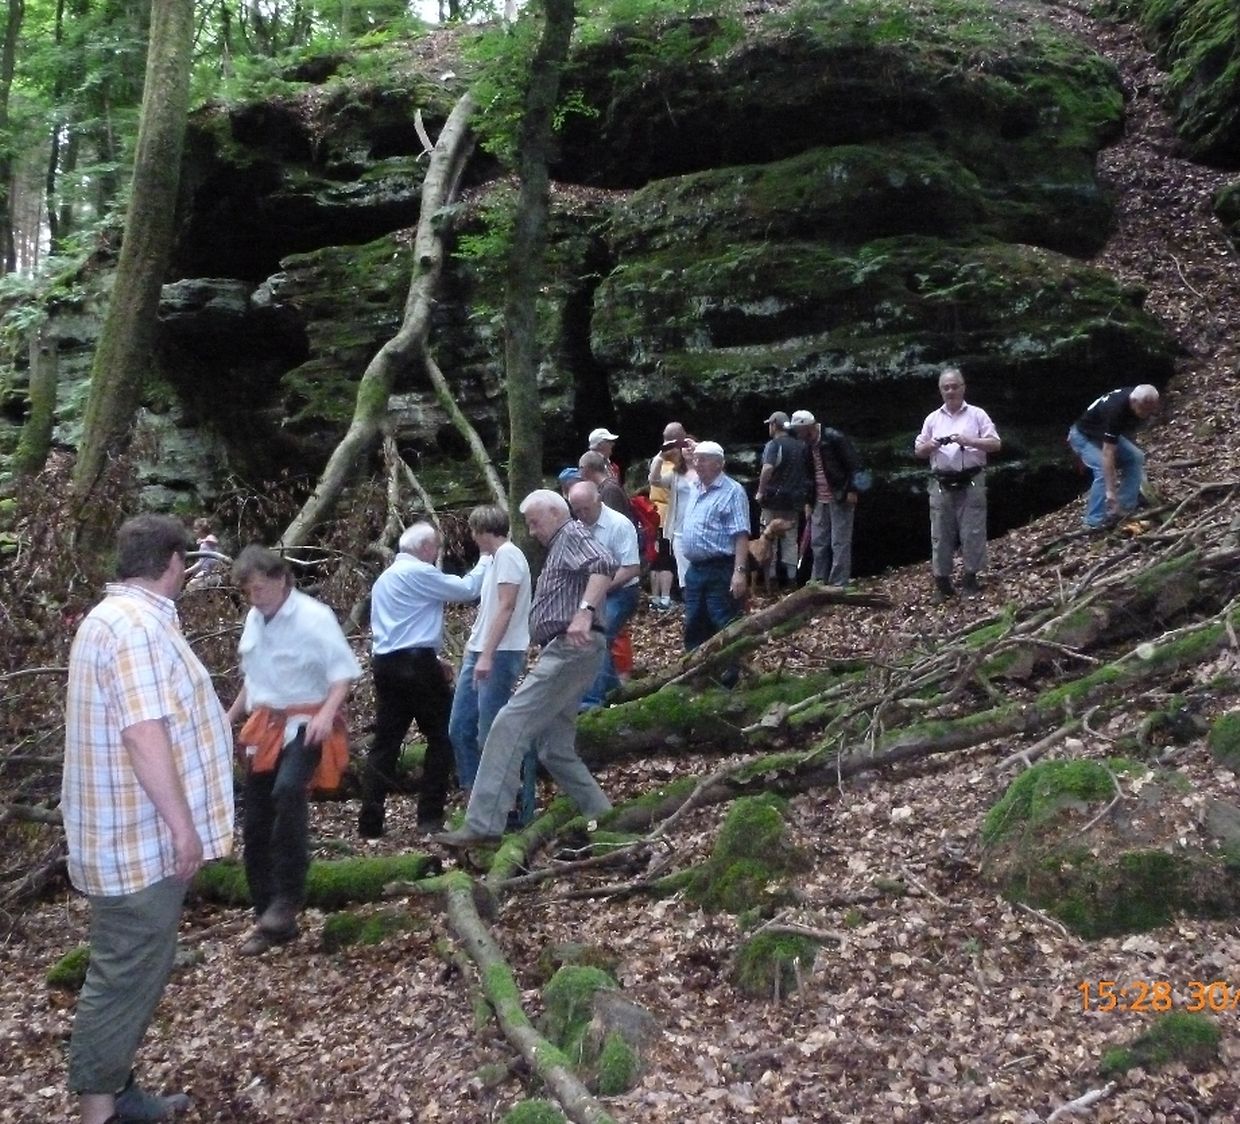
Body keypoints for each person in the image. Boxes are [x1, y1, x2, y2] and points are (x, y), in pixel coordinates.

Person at [62, 514, 234, 1124]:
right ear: (173, 562)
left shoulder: (115, 618)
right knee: (124, 976)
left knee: (134, 971)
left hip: (127, 833)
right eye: (186, 563)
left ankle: (116, 1091)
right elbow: (143, 733)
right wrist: (184, 828)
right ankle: (100, 1111)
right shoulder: (135, 629)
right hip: (137, 840)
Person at [435, 490, 615, 847]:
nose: (531, 531)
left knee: (508, 725)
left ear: (555, 513)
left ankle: (484, 825)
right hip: (567, 650)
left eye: (534, 522)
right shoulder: (561, 544)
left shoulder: (571, 533)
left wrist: (584, 612)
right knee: (554, 749)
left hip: (571, 650)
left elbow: (604, 563)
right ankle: (604, 815)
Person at [226, 546, 361, 955]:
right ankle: (268, 916)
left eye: (261, 588)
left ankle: (288, 898)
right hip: (265, 725)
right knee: (256, 820)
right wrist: (228, 717)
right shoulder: (254, 620)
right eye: (249, 591)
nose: (256, 597)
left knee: (288, 792)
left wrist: (327, 714)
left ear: (281, 579)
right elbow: (253, 678)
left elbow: (342, 674)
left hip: (306, 723)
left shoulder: (313, 617)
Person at [358, 522, 490, 839]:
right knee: (443, 735)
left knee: (385, 744)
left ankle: (370, 822)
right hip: (415, 665)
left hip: (386, 664)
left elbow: (398, 627)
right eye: (435, 547)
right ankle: (429, 816)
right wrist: (486, 558)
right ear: (426, 548)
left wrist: (433, 657)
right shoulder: (418, 572)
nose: (436, 553)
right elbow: (467, 589)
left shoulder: (384, 579)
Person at [446, 506, 535, 825]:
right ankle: (477, 798)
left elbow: (506, 607)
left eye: (473, 531)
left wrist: (487, 655)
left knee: (490, 731)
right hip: (479, 649)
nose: (472, 538)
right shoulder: (494, 559)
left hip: (500, 652)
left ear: (483, 531)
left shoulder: (509, 555)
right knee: (460, 727)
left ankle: (506, 803)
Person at [914, 367, 1002, 602]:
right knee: (940, 533)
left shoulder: (977, 415)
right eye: (946, 387)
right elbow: (919, 450)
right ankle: (942, 582)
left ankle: (971, 579)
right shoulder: (932, 419)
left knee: (972, 530)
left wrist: (969, 441)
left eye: (955, 386)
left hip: (971, 480)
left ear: (963, 388)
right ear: (940, 390)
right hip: (941, 482)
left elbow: (995, 444)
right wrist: (932, 445)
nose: (950, 391)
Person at [568, 480, 641, 708]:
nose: (582, 515)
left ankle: (591, 702)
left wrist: (599, 589)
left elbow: (631, 568)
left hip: (622, 591)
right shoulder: (576, 527)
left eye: (586, 509)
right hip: (589, 594)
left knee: (595, 635)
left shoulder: (619, 525)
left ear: (598, 501)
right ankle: (612, 691)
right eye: (577, 510)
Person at [679, 441, 750, 660]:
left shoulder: (733, 492)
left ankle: (730, 671)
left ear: (719, 464)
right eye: (696, 459)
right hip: (695, 569)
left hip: (720, 568)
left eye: (704, 460)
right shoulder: (695, 487)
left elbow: (741, 534)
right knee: (694, 622)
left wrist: (739, 572)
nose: (698, 464)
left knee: (723, 620)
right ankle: (695, 669)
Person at [1067, 384, 1161, 531]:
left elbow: (1120, 437)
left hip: (1101, 433)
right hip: (1082, 436)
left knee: (1135, 457)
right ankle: (1093, 522)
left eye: (1150, 410)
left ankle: (1123, 508)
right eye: (1143, 409)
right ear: (1134, 401)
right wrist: (1110, 491)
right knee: (1102, 470)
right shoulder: (1115, 411)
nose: (1146, 413)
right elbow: (1108, 453)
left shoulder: (1137, 397)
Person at [791, 409, 862, 588]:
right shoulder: (806, 447)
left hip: (840, 496)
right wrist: (808, 501)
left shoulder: (834, 438)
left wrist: (852, 490)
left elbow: (855, 466)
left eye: (799, 430)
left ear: (808, 427)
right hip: (818, 499)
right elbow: (808, 477)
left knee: (840, 541)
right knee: (818, 541)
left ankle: (839, 583)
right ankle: (818, 580)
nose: (797, 434)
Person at [753, 411, 809, 589]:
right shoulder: (801, 446)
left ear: (774, 425)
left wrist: (760, 491)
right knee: (790, 539)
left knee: (769, 537)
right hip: (794, 500)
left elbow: (768, 468)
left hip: (773, 499)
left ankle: (772, 579)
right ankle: (792, 579)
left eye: (770, 425)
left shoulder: (773, 445)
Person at [648, 421, 697, 608]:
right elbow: (654, 480)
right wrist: (661, 454)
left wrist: (695, 448)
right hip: (679, 531)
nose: (686, 450)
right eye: (683, 447)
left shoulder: (704, 471)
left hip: (700, 529)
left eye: (687, 446)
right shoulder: (675, 473)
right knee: (683, 574)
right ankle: (689, 605)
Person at [578, 450, 632, 519]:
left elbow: (610, 520)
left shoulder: (610, 490)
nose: (579, 473)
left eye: (580, 468)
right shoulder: (606, 487)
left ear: (586, 469)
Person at [184, 518, 223, 589]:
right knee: (194, 587)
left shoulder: (209, 539)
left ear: (202, 529)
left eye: (196, 529)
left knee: (190, 586)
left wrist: (203, 540)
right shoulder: (203, 544)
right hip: (205, 572)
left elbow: (214, 540)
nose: (194, 531)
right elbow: (201, 562)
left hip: (210, 572)